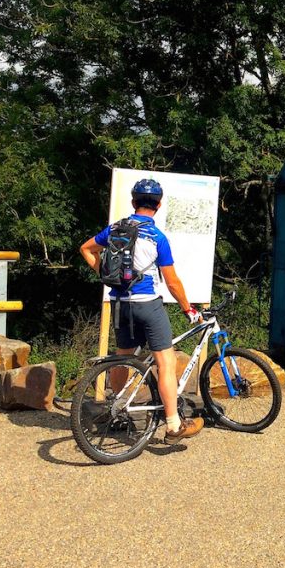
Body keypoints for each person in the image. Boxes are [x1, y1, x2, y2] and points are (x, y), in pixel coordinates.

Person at [79, 178, 204, 444]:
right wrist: (188, 309)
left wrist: (103, 273)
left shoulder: (115, 229)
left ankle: (117, 407)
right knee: (166, 363)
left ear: (133, 203)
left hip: (120, 304)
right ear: (158, 205)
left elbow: (86, 249)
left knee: (121, 357)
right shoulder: (157, 237)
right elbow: (172, 282)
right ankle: (173, 425)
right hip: (148, 305)